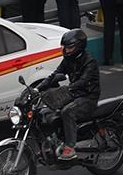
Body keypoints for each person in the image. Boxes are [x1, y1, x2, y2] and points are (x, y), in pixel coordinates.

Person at [43, 29, 100, 161]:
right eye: (65, 47)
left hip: (88, 97)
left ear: (79, 46)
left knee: (67, 112)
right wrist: (37, 88)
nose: (66, 50)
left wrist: (67, 89)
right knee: (48, 111)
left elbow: (83, 82)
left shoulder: (89, 61)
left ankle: (70, 147)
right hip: (75, 94)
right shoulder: (68, 60)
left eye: (70, 47)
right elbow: (55, 75)